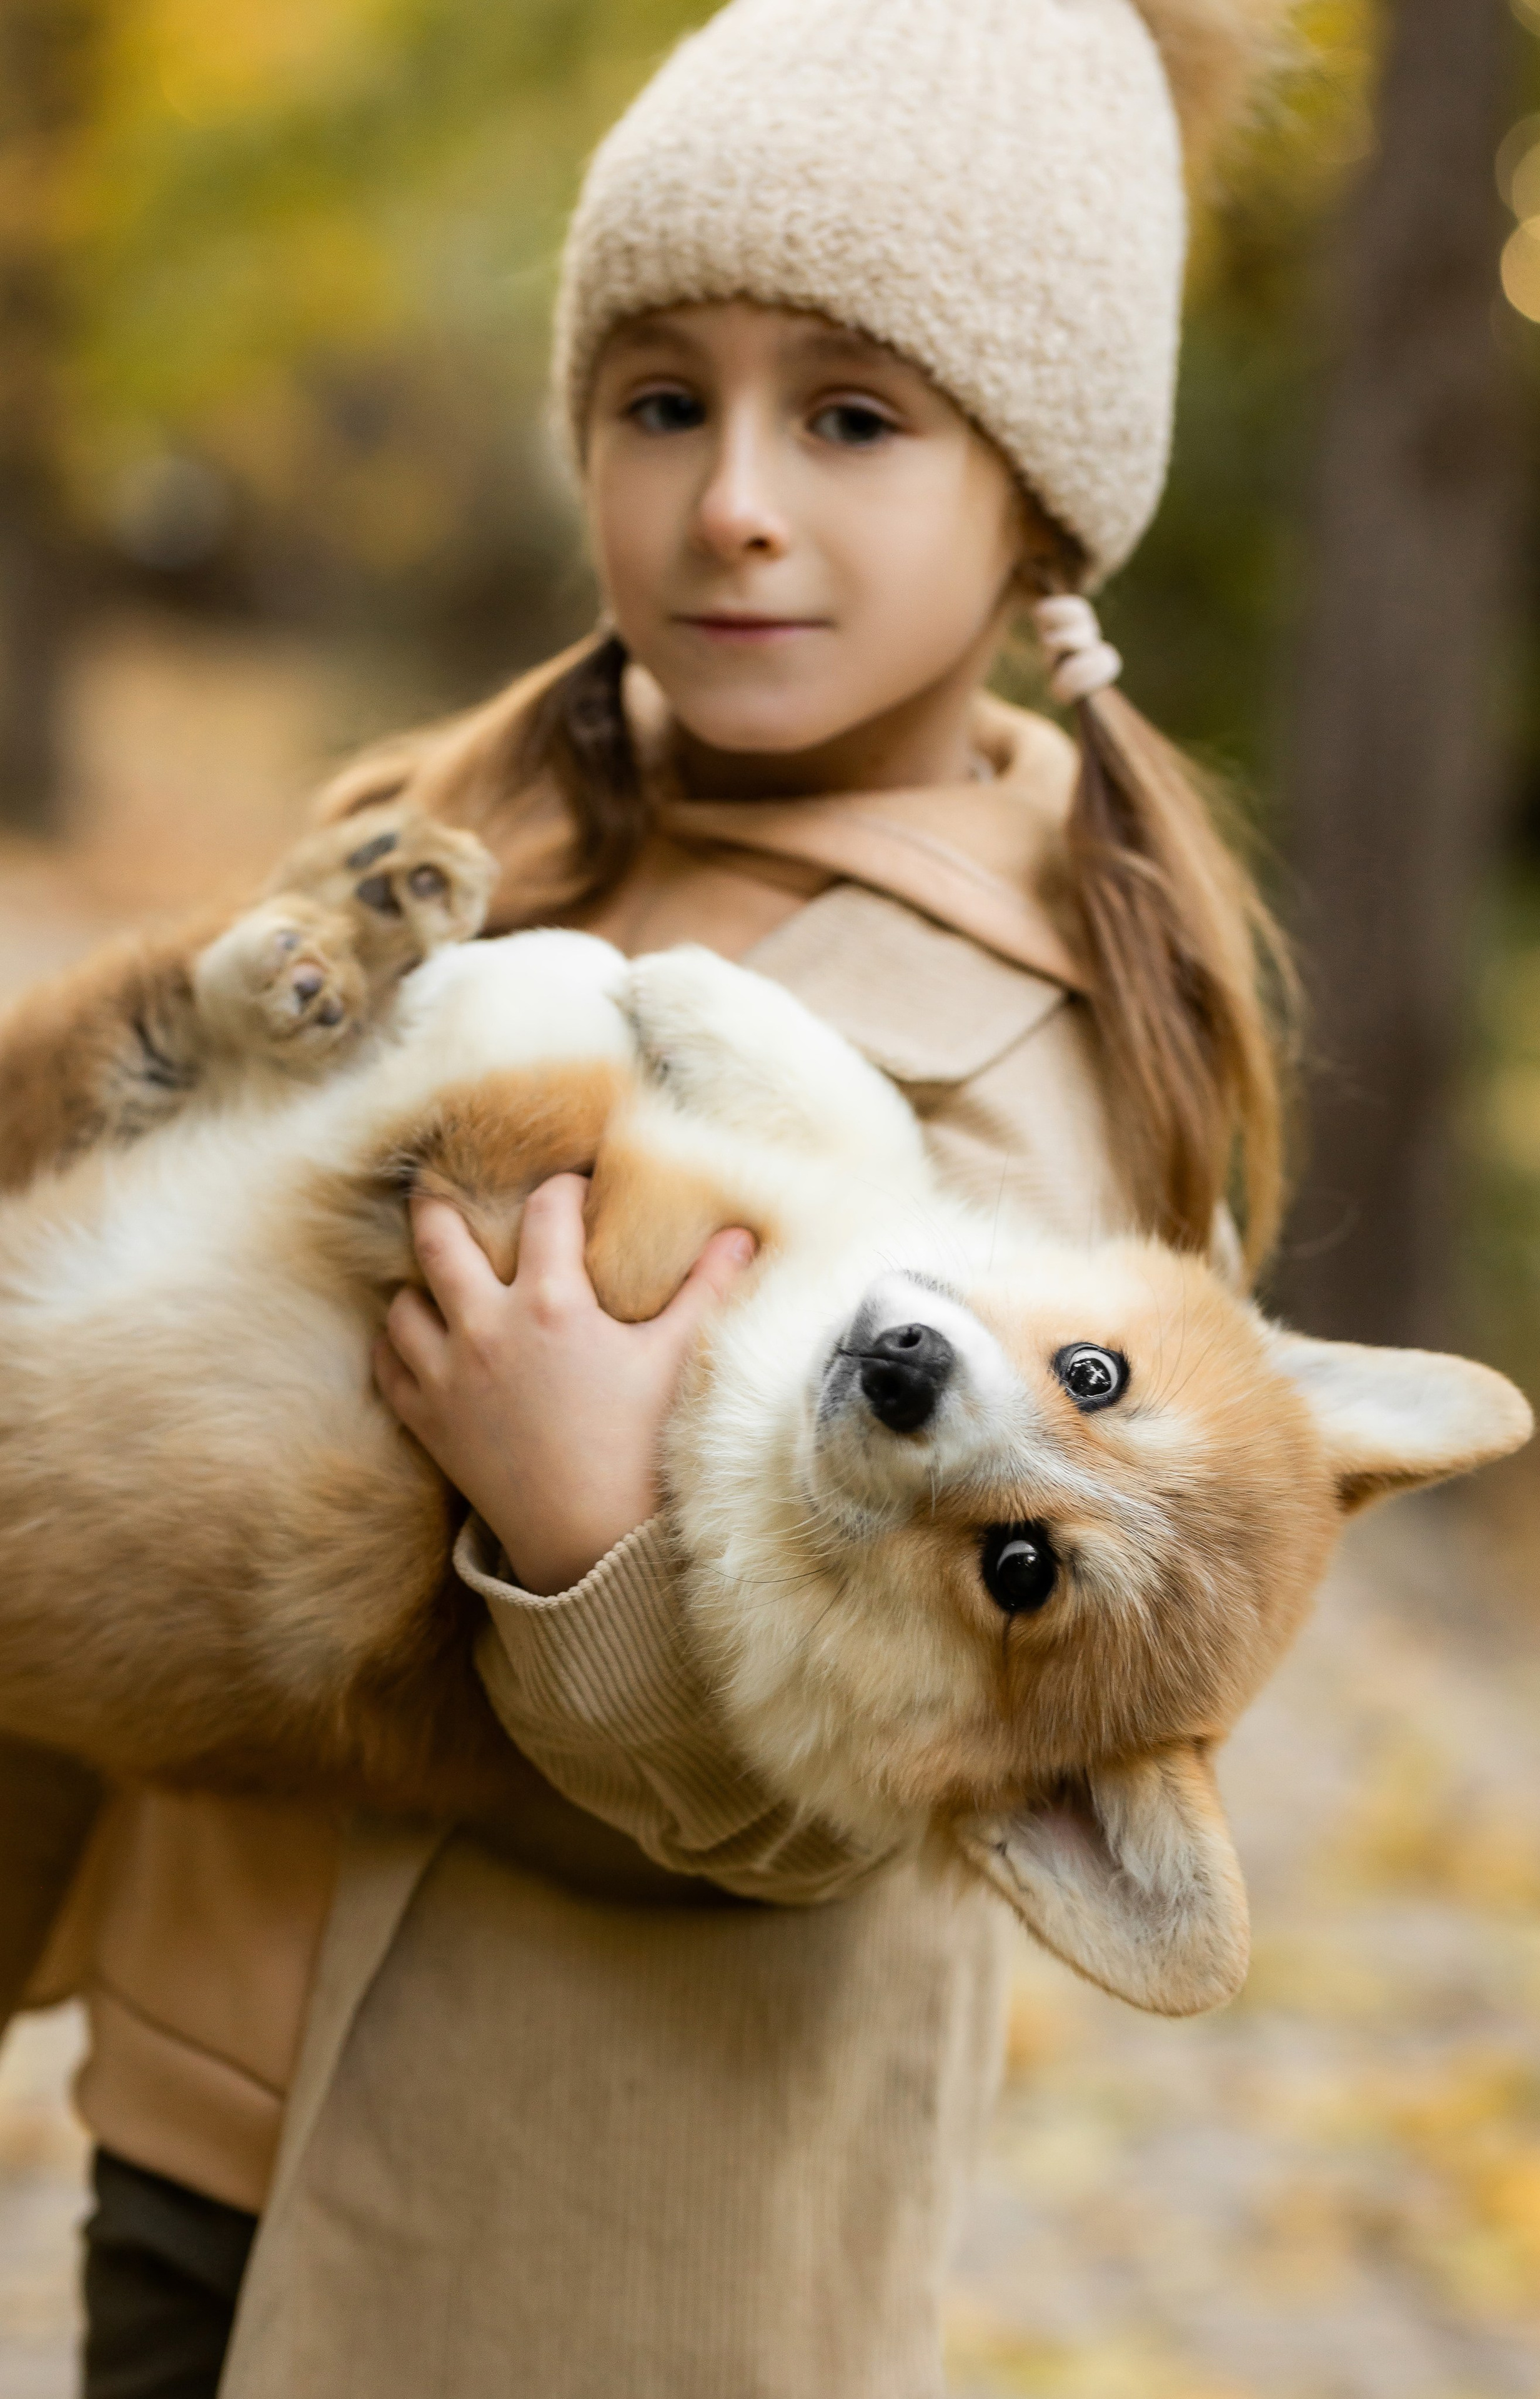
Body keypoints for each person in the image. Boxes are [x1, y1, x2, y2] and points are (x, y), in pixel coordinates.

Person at [0, 1, 1293, 2391]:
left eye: (854, 416)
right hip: (207, 2081)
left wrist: (592, 1534)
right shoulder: (493, 826)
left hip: (556, 2233)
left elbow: (870, 1783)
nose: (732, 501)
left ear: (1040, 496)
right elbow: (153, 1221)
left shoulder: (1042, 1047)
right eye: (663, 398)